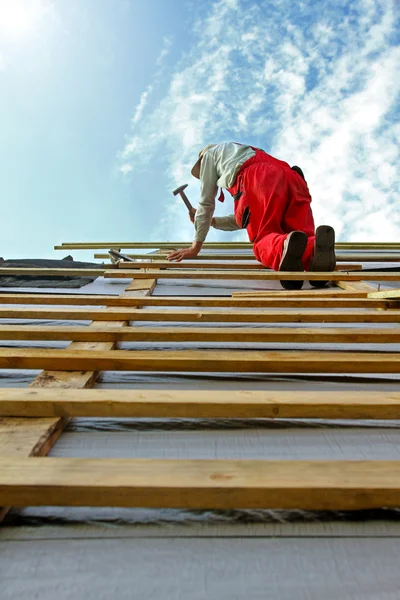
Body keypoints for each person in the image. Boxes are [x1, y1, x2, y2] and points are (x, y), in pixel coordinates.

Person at [167, 142, 336, 289]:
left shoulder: (210, 156)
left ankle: (283, 247)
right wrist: (212, 222)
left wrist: (195, 247)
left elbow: (206, 204)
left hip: (260, 180)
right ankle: (314, 252)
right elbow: (246, 218)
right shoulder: (247, 152)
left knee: (264, 238)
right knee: (302, 235)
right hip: (293, 178)